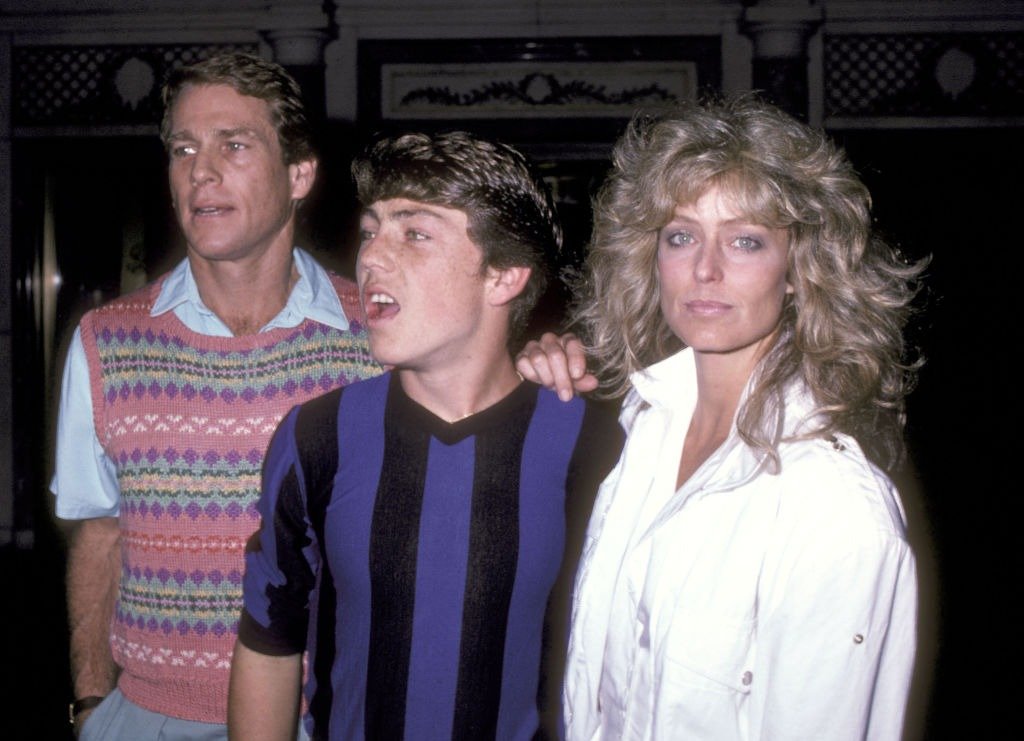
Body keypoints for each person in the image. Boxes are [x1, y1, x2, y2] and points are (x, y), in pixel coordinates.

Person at [228, 131, 624, 741]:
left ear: (503, 276)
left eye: (414, 233)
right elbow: (269, 637)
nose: (371, 258)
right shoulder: (316, 437)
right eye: (370, 230)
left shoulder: (598, 446)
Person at [560, 96, 925, 740]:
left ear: (798, 272)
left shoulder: (833, 507)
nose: (705, 268)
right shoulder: (648, 433)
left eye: (745, 241)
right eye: (681, 237)